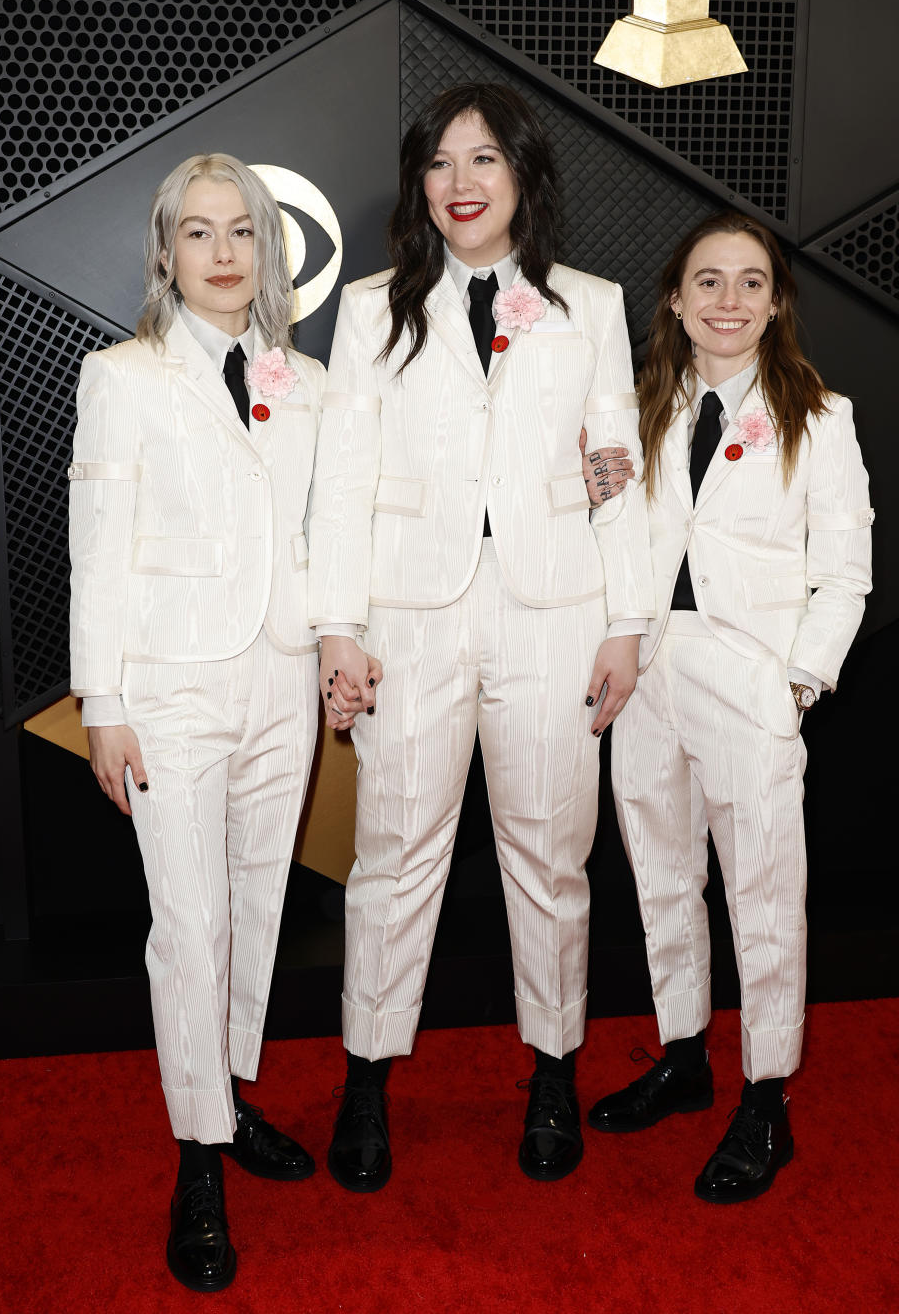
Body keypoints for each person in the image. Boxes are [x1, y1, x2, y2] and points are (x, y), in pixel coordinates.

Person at [307, 82, 653, 1192]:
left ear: (524, 179)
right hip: (409, 614)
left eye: (486, 161)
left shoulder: (589, 307)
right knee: (393, 854)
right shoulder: (370, 310)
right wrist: (337, 625)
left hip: (556, 613)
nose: (462, 183)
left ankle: (552, 1067)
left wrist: (629, 620)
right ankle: (368, 1075)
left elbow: (617, 471)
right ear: (422, 183)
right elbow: (342, 479)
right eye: (444, 163)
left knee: (552, 857)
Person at [68, 154, 327, 1291]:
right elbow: (99, 549)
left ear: (267, 252)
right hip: (168, 689)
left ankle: (224, 1102)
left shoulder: (303, 381)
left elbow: (319, 538)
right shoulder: (121, 376)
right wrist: (105, 703)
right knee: (189, 924)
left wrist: (335, 646)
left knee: (257, 908)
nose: (224, 254)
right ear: (166, 253)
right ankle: (199, 1166)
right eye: (199, 233)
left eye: (243, 233)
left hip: (281, 683)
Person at [588, 210, 874, 1202]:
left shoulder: (819, 418)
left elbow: (846, 576)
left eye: (751, 283)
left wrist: (791, 685)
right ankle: (683, 1055)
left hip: (747, 679)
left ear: (778, 301)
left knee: (762, 897)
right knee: (661, 878)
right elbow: (610, 540)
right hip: (643, 676)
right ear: (674, 298)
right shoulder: (636, 412)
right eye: (708, 281)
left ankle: (766, 1096)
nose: (729, 301)